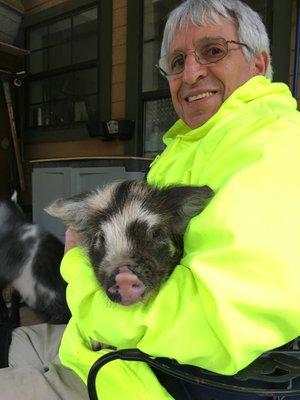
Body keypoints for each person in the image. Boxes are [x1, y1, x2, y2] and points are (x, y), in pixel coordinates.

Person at [1, 0, 300, 398]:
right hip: (107, 351)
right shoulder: (199, 141)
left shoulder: (275, 149)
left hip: (140, 379)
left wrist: (77, 267)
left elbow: (209, 322)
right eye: (177, 62)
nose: (191, 73)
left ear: (259, 64)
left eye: (213, 51)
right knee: (21, 340)